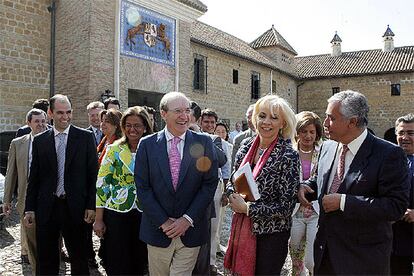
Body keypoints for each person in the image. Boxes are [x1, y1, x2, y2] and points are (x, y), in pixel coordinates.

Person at [298, 90, 409, 275]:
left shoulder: (388, 154)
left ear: (352, 122)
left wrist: (343, 202)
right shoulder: (327, 146)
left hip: (362, 259)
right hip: (325, 255)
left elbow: (395, 207)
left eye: (331, 118)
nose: (324, 124)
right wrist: (307, 186)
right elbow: (321, 179)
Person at [135, 92, 219, 275]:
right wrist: (163, 222)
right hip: (158, 231)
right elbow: (142, 188)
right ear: (163, 114)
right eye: (178, 111)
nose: (184, 116)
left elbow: (209, 184)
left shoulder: (203, 142)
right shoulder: (147, 145)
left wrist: (187, 219)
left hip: (191, 231)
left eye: (187, 110)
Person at [224, 94, 300, 275]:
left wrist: (248, 209)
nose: (266, 122)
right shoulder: (245, 146)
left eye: (274, 118)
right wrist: (231, 195)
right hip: (242, 230)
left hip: (271, 237)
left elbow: (285, 208)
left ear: (283, 123)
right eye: (262, 115)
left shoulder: (288, 155)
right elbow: (232, 181)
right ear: (255, 118)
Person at [24, 94, 98, 275]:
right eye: (60, 113)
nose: (65, 117)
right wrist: (30, 208)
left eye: (68, 112)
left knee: (79, 258)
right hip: (47, 207)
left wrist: (91, 205)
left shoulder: (85, 138)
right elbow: (34, 178)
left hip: (76, 207)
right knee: (46, 259)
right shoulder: (40, 140)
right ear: (50, 113)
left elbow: (93, 176)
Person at [94, 106, 152, 275]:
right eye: (128, 125)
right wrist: (99, 219)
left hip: (145, 214)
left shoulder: (153, 149)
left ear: (145, 127)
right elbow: (102, 184)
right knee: (117, 261)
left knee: (140, 261)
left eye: (137, 125)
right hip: (116, 213)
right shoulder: (114, 149)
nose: (132, 129)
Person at [3, 108, 47, 271]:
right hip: (26, 196)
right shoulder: (18, 143)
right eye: (37, 121)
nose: (41, 125)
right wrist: (6, 200)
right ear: (28, 123)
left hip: (48, 196)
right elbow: (11, 173)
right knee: (30, 236)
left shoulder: (54, 140)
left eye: (43, 121)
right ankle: (33, 262)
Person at [289, 111, 323, 276]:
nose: (308, 136)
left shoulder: (324, 152)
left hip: (316, 212)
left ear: (317, 133)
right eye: (304, 131)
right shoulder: (289, 153)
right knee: (296, 257)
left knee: (311, 260)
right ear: (297, 132)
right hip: (295, 212)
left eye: (312, 132)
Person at [198, 109, 231, 275]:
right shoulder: (192, 138)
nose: (209, 125)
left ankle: (211, 262)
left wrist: (225, 192)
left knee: (214, 226)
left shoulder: (219, 142)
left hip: (215, 187)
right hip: (196, 187)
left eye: (212, 122)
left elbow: (225, 167)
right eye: (206, 122)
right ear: (200, 122)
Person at [391, 113, 414, 275]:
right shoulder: (386, 160)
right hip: (395, 238)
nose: (405, 137)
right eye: (401, 133)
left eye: (411, 133)